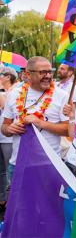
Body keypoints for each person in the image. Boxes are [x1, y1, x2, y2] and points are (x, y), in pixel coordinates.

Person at [1, 57, 69, 182]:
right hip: (18, 164)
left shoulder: (61, 95)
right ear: (28, 74)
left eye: (50, 72)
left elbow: (68, 130)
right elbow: (4, 127)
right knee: (18, 202)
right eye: (42, 72)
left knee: (48, 202)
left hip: (48, 165)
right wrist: (9, 129)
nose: (48, 76)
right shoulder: (14, 94)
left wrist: (41, 123)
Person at [0, 67, 17, 214]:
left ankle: (9, 202)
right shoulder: (6, 91)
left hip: (8, 139)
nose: (0, 77)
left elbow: (3, 105)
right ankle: (3, 198)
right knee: (1, 170)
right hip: (1, 135)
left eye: (2, 75)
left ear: (8, 77)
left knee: (8, 169)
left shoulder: (14, 91)